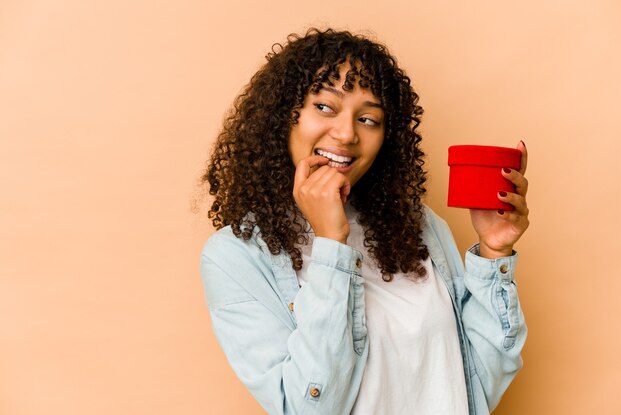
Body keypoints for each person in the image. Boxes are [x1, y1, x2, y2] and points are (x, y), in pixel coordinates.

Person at [199, 28, 529, 415]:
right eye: (324, 107)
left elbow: (473, 386)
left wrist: (494, 250)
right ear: (282, 117)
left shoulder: (418, 226)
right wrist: (331, 245)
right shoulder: (235, 255)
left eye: (369, 119)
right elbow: (309, 408)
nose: (346, 133)